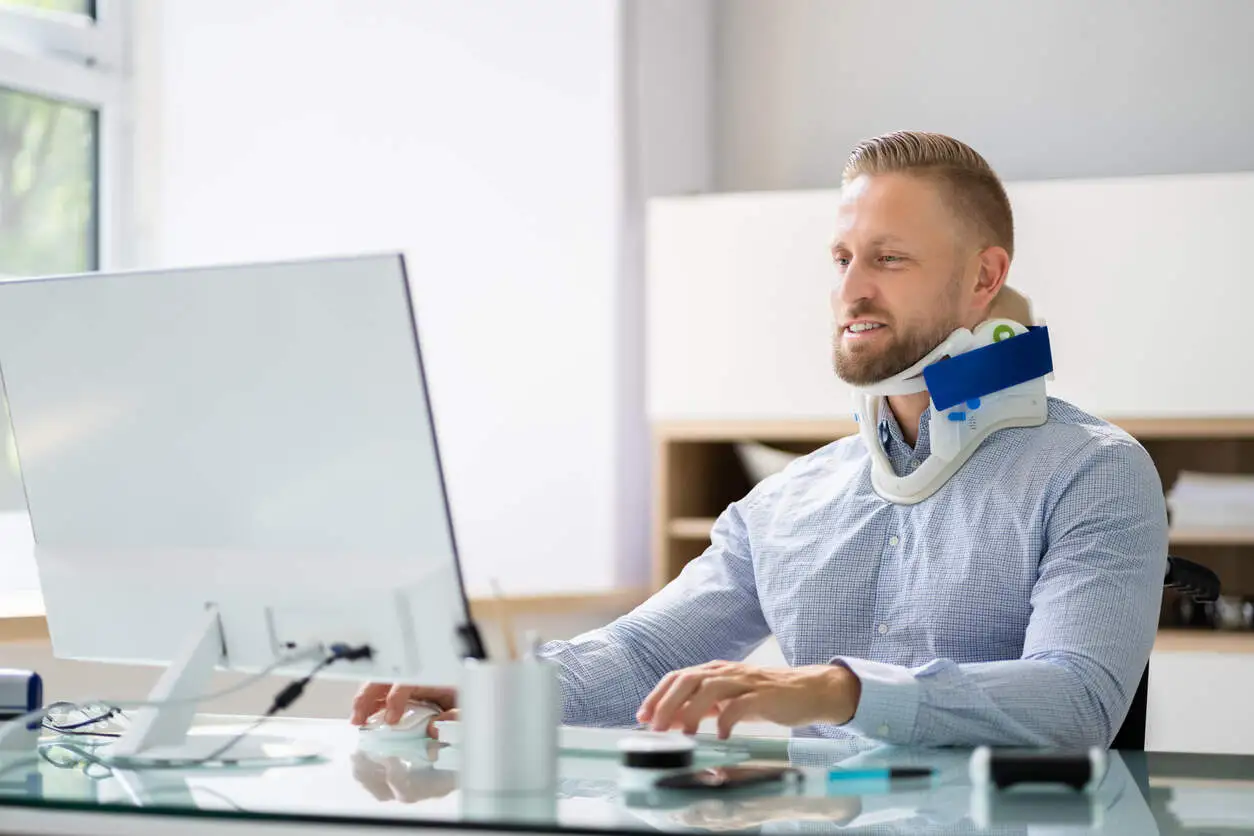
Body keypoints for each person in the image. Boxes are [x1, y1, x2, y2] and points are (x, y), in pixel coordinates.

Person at [351, 131, 1167, 747]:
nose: (850, 290)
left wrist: (837, 690)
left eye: (888, 258)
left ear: (986, 278)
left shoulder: (1093, 472)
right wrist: (502, 694)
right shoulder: (783, 503)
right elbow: (641, 655)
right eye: (842, 257)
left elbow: (1078, 700)